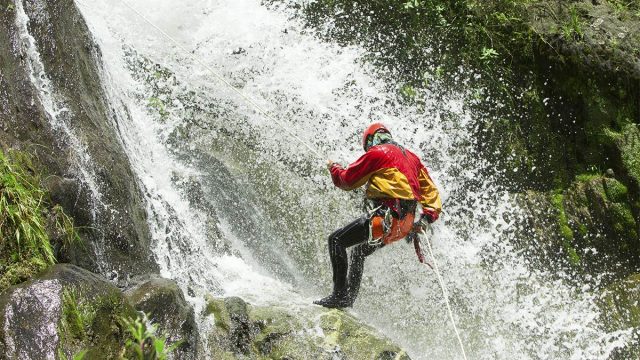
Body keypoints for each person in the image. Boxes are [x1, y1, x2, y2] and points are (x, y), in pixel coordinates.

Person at [314, 122, 442, 308]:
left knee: (336, 240)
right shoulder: (413, 158)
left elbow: (347, 181)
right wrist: (427, 218)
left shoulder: (377, 153)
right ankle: (348, 299)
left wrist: (334, 168)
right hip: (404, 226)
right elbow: (431, 192)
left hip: (385, 219)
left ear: (370, 141)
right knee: (358, 252)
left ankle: (339, 296)